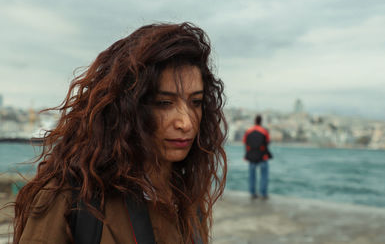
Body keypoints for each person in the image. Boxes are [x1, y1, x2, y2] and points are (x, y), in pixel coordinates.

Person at [13, 22, 227, 244]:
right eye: (164, 103)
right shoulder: (71, 198)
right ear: (126, 108)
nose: (186, 123)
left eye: (196, 102)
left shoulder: (187, 199)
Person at [243, 115, 272, 199]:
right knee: (264, 175)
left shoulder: (248, 131)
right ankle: (263, 194)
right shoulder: (264, 131)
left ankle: (252, 193)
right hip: (262, 156)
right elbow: (268, 142)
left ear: (255, 121)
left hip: (251, 156)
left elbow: (245, 142)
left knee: (252, 176)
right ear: (261, 121)